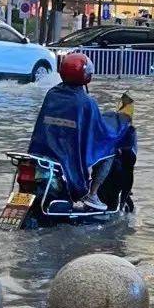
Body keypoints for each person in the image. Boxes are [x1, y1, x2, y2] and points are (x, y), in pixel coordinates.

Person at [28, 52, 136, 212]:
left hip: (43, 152)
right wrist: (120, 121)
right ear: (86, 75)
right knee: (109, 150)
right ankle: (92, 194)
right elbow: (101, 133)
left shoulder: (52, 94)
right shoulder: (86, 102)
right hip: (66, 156)